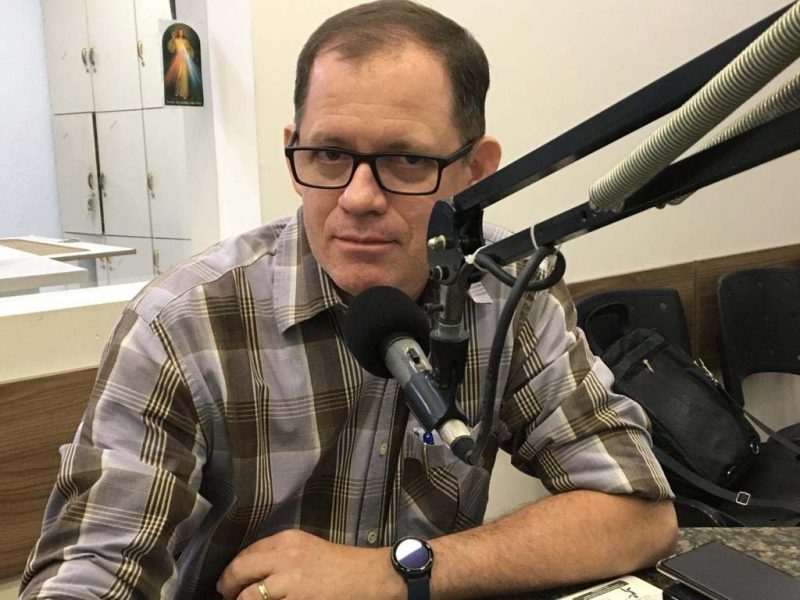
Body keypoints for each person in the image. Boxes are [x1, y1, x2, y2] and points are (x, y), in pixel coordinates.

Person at [21, 1, 677, 598]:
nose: (359, 198)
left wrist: (399, 572)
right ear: (293, 151)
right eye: (329, 155)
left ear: (477, 173)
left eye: (407, 161)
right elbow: (93, 570)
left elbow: (639, 513)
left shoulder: (508, 288)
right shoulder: (182, 323)